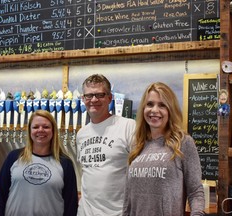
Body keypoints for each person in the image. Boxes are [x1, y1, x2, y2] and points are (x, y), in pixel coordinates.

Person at [122, 82, 205, 216]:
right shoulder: (136, 146)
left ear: (170, 110)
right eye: (149, 104)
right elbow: (128, 198)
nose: (154, 110)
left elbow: (195, 191)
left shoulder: (183, 142)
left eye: (162, 105)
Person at [0, 110, 78, 216]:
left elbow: (71, 204)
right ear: (29, 131)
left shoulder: (65, 163)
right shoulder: (14, 157)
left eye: (46, 127)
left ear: (53, 131)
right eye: (35, 127)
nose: (40, 130)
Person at [76, 74, 136, 216]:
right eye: (89, 95)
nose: (94, 100)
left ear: (110, 98)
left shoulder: (128, 126)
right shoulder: (81, 134)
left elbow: (140, 173)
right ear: (83, 99)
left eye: (100, 95)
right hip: (85, 212)